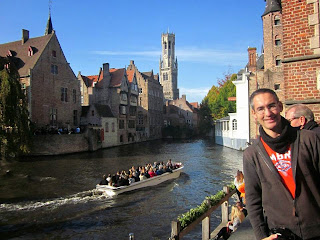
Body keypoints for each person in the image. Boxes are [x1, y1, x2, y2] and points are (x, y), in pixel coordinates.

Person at [243, 88, 320, 240]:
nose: (268, 113)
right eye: (260, 109)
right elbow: (253, 200)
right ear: (254, 114)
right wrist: (262, 236)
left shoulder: (308, 139)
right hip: (281, 234)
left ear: (280, 106)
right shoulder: (252, 154)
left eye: (271, 106)